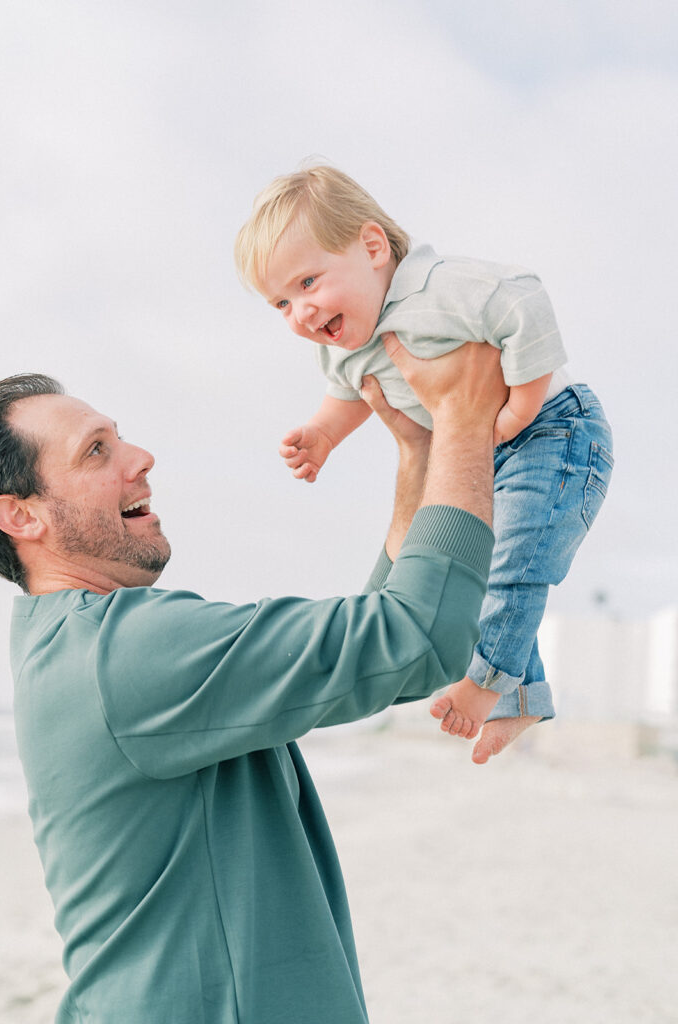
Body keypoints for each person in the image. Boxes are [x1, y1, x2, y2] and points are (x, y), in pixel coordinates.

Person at [0, 343, 503, 1024]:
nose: (139, 457)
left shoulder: (71, 643)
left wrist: (419, 462)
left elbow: (383, 656)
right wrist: (466, 422)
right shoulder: (123, 651)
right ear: (23, 516)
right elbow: (418, 637)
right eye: (96, 451)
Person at [235, 164, 614, 763]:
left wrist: (517, 408)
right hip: (486, 450)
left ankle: (488, 685)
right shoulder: (345, 350)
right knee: (479, 574)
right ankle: (526, 696)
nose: (300, 313)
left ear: (371, 246)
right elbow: (347, 397)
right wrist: (322, 437)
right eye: (281, 302)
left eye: (308, 282)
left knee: (517, 564)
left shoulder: (436, 289)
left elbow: (525, 302)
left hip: (555, 429)